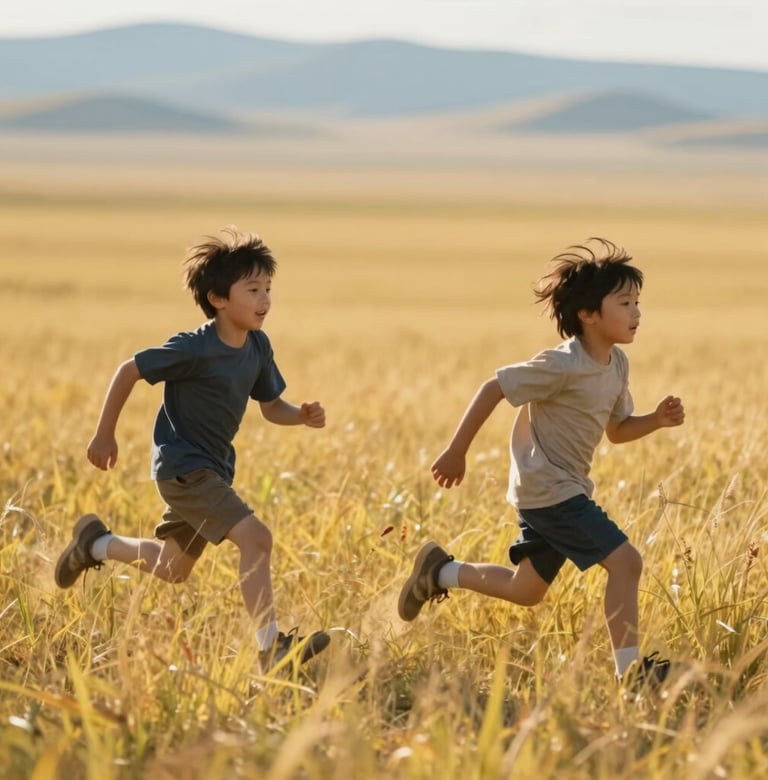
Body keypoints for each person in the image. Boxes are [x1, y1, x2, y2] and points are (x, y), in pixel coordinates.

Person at [398, 238, 685, 688]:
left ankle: (439, 571)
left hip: (559, 490)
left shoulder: (616, 364)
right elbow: (494, 387)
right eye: (625, 302)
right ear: (589, 314)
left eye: (637, 302)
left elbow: (617, 429)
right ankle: (632, 675)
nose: (636, 312)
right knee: (626, 562)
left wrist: (656, 420)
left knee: (525, 590)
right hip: (551, 490)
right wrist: (457, 451)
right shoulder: (562, 365)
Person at [55, 226, 330, 668]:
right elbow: (130, 370)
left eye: (268, 289)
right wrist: (104, 433)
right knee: (257, 540)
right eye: (253, 289)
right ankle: (270, 647)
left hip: (212, 470)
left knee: (172, 568)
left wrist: (299, 414)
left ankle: (96, 545)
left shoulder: (257, 346)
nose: (264, 300)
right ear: (218, 298)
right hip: (185, 468)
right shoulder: (194, 348)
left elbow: (270, 405)